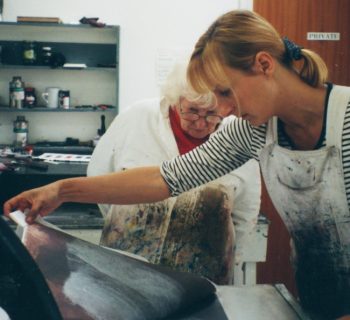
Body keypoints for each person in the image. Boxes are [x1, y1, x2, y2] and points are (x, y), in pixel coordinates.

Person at [4, 9, 350, 320]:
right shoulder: (258, 130)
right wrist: (62, 189)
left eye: (227, 93)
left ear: (263, 64)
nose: (224, 111)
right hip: (318, 299)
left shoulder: (344, 118)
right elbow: (167, 178)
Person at [86, 60, 261, 284]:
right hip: (127, 264)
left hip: (204, 274)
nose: (200, 123)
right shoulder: (138, 117)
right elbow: (100, 178)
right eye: (192, 111)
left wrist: (229, 257)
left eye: (212, 114)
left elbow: (246, 214)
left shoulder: (237, 136)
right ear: (176, 99)